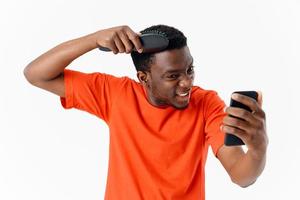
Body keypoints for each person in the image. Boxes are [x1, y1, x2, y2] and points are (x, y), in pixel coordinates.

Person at [24, 25, 268, 200]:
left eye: (189, 69)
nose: (187, 83)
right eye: (173, 76)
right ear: (144, 78)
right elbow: (36, 74)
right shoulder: (115, 93)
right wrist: (95, 39)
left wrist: (258, 147)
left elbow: (241, 176)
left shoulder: (206, 103)